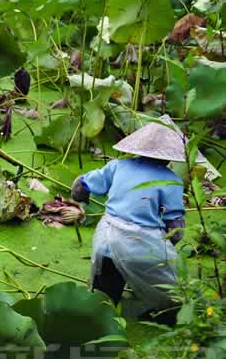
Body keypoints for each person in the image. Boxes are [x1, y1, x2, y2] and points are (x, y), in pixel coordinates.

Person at [72, 117, 188, 321]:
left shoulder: (118, 166)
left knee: (104, 293)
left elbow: (82, 184)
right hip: (143, 245)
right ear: (172, 156)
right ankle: (163, 316)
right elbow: (175, 228)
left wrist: (80, 197)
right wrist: (166, 247)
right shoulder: (172, 181)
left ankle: (98, 320)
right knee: (166, 291)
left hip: (106, 239)